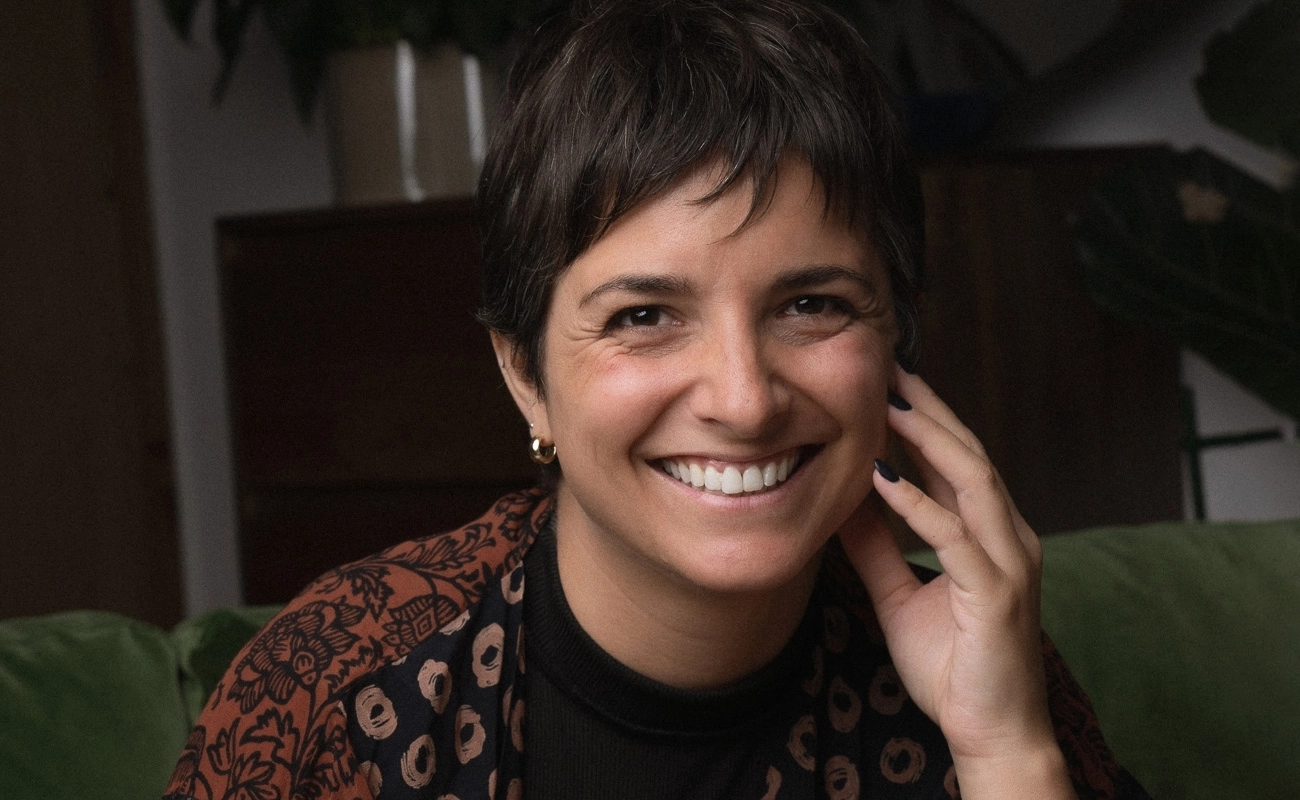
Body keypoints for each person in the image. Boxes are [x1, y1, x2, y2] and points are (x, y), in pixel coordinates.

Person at [164, 1, 1151, 798]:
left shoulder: (978, 666)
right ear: (525, 375)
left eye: (810, 304)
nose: (744, 399)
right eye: (642, 316)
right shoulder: (341, 693)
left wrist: (1005, 752)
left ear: (897, 340)